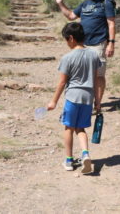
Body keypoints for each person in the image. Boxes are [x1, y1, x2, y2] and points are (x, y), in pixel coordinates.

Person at [54, 0, 115, 111]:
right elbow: (70, 16)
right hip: (83, 45)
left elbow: (111, 24)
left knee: (99, 75)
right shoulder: (84, 4)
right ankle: (85, 101)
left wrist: (111, 43)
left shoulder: (106, 3)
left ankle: (97, 104)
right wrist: (60, 3)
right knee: (83, 74)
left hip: (99, 43)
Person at [47, 22, 102, 173]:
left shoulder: (67, 58)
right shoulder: (93, 55)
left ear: (71, 38)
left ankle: (69, 161)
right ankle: (85, 154)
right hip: (88, 97)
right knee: (81, 128)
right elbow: (96, 80)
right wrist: (98, 102)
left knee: (69, 128)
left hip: (72, 97)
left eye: (66, 40)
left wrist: (53, 101)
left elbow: (62, 82)